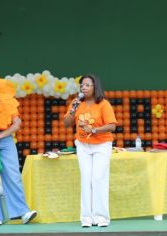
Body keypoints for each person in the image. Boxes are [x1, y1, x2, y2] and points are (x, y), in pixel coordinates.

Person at [64, 75, 117, 227]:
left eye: (87, 85)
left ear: (95, 87)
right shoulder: (76, 103)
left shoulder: (103, 104)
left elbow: (112, 126)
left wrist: (93, 129)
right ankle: (86, 218)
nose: (84, 87)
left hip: (102, 145)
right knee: (86, 179)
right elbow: (66, 124)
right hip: (83, 145)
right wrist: (73, 109)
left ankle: (101, 217)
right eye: (82, 85)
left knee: (98, 178)